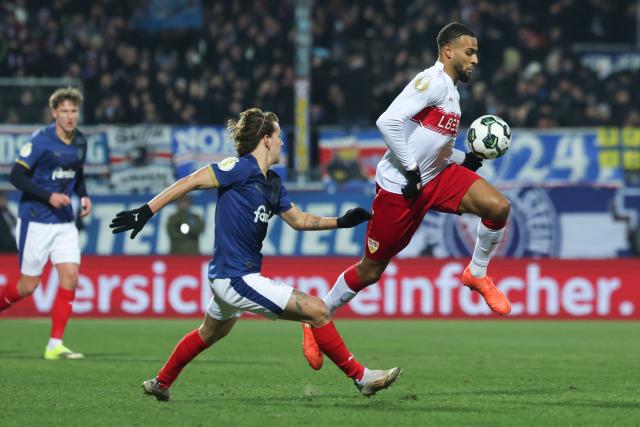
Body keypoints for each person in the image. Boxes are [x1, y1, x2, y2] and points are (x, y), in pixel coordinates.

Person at [110, 107, 401, 401]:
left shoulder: (272, 183)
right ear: (265, 139)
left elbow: (299, 220)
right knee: (318, 310)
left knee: (209, 334)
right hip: (236, 277)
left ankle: (161, 382)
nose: (282, 142)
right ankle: (362, 377)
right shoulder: (240, 168)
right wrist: (146, 211)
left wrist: (340, 222)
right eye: (278, 136)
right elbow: (192, 180)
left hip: (231, 276)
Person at [302, 22, 512, 369]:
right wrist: (412, 171)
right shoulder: (430, 82)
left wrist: (465, 159)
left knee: (498, 207)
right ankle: (316, 317)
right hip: (401, 190)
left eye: (476, 53)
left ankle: (477, 273)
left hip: (437, 178)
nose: (475, 60)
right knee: (370, 271)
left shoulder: (453, 93)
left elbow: (435, 150)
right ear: (449, 51)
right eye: (469, 52)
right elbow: (388, 122)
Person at [0, 87, 91, 360]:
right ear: (54, 113)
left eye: (73, 111)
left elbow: (78, 172)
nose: (69, 116)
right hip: (36, 220)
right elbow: (16, 176)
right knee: (28, 286)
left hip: (64, 222)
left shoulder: (81, 142)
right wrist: (48, 195)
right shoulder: (40, 141)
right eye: (64, 111)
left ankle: (55, 345)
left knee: (71, 277)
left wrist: (83, 195)